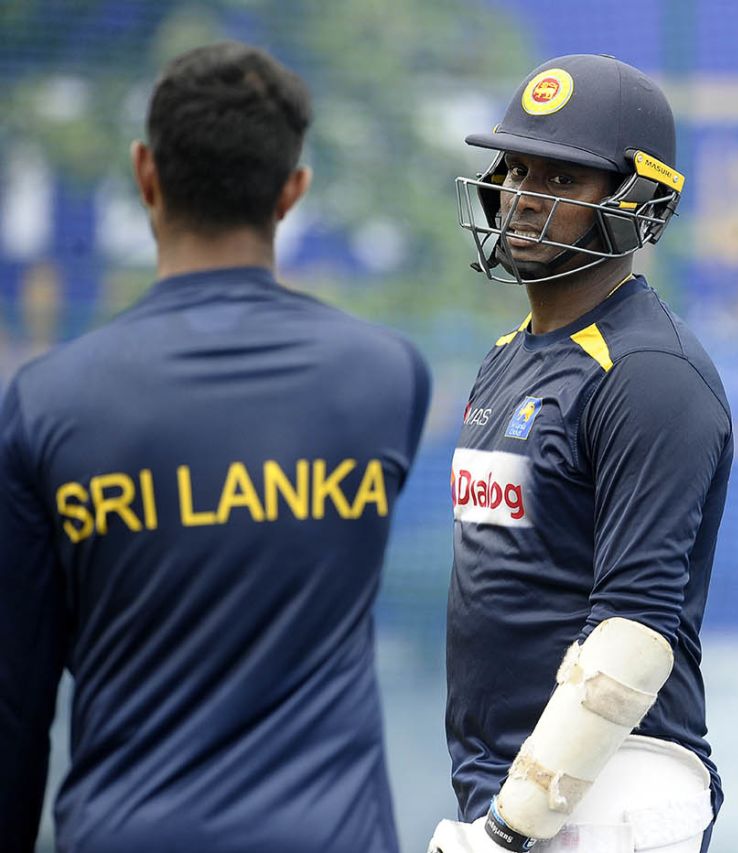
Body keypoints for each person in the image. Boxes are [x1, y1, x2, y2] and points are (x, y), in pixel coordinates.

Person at [0, 42, 429, 852]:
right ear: (292, 191)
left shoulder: (45, 402)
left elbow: (15, 703)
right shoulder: (386, 378)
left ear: (145, 175)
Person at [430, 54, 732, 853]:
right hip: (519, 788)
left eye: (563, 180)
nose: (523, 198)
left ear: (638, 204)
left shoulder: (649, 373)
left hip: (609, 792)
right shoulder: (509, 356)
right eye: (517, 167)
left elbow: (634, 631)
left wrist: (509, 828)